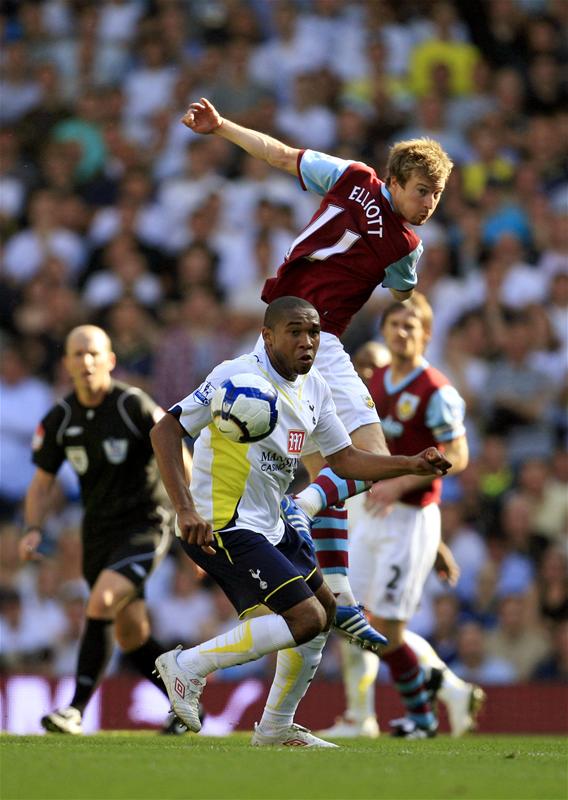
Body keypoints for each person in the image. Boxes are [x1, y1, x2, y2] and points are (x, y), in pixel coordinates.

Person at [181, 97, 453, 650]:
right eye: (422, 191)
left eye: (437, 195)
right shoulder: (406, 246)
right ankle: (299, 511)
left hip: (275, 331)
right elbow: (403, 292)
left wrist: (222, 125)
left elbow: (280, 155)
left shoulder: (351, 176)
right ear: (396, 182)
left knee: (318, 462)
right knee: (368, 455)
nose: (428, 204)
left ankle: (340, 594)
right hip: (316, 339)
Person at [150, 296, 451, 747]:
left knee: (324, 614)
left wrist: (410, 464)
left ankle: (275, 727)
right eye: (295, 331)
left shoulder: (315, 388)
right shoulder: (236, 377)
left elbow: (345, 460)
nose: (307, 341)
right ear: (268, 336)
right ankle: (186, 667)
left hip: (270, 525)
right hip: (220, 524)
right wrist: (185, 509)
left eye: (313, 332)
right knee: (306, 618)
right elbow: (165, 430)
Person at [320, 293, 485, 739]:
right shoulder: (374, 384)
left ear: (426, 334)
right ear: (384, 331)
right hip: (374, 514)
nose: (401, 332)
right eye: (394, 324)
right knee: (351, 618)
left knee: (388, 629)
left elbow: (459, 454)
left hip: (410, 517)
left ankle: (422, 715)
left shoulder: (436, 389)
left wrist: (401, 482)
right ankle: (432, 702)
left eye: (411, 325)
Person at [19, 325, 187, 735]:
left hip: (146, 524)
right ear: (66, 363)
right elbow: (41, 484)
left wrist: (191, 513)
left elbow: (178, 450)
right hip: (98, 533)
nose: (87, 361)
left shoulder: (132, 404)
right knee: (132, 635)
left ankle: (75, 709)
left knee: (102, 600)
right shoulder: (60, 419)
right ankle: (185, 700)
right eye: (78, 354)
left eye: (94, 353)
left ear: (110, 360)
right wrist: (33, 528)